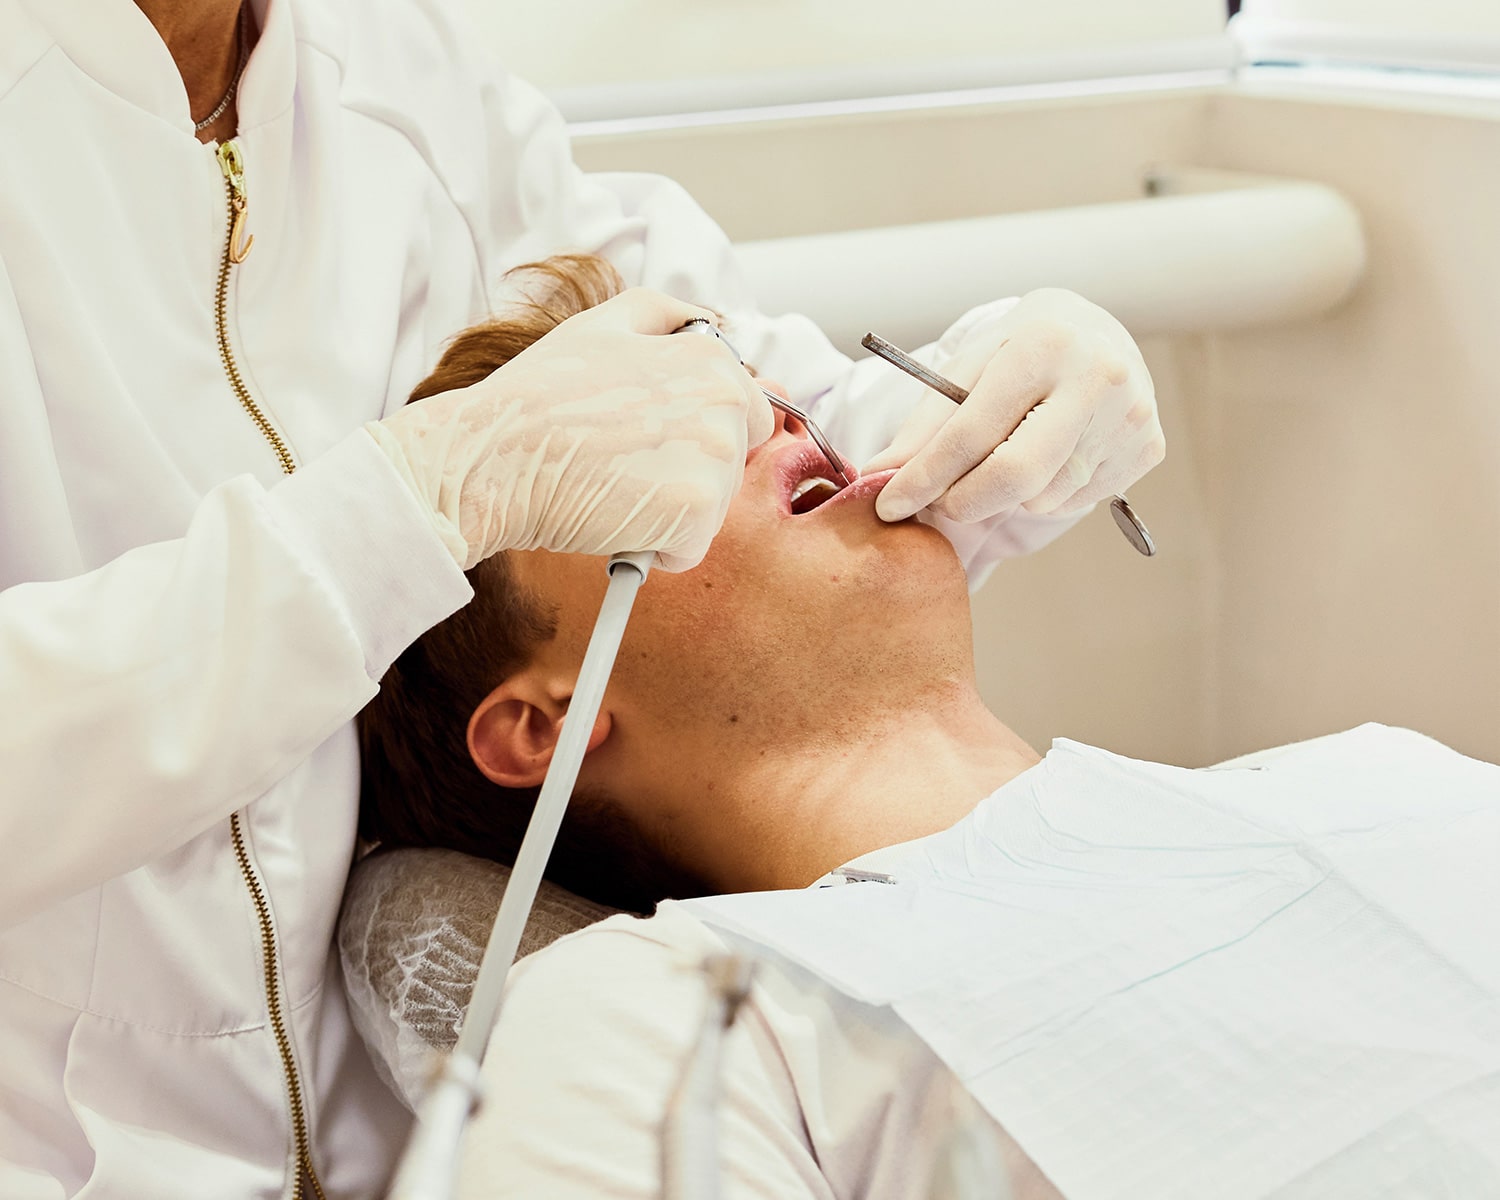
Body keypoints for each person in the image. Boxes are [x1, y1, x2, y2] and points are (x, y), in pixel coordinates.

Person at [0, 3, 1164, 1196]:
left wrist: (1011, 407)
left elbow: (752, 404)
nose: (771, 421)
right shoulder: (643, 1042)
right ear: (541, 725)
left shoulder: (394, 68)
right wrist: (406, 506)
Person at [354, 256, 1500, 1200]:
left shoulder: (1368, 778)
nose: (770, 413)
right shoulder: (664, 1015)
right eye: (627, 444)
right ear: (544, 724)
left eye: (739, 389)